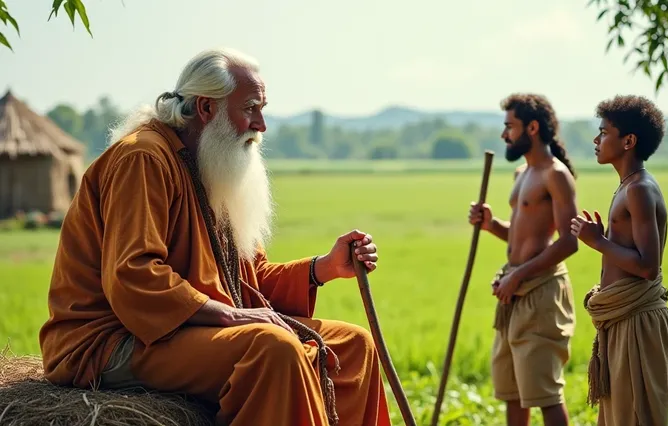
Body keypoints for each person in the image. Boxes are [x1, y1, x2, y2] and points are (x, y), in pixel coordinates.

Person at [38, 48, 391, 426]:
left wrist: (323, 268)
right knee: (272, 350)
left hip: (185, 331)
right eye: (251, 108)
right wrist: (228, 315)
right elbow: (133, 274)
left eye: (262, 108)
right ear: (206, 109)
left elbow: (246, 284)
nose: (261, 125)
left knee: (353, 347)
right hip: (112, 342)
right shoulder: (142, 158)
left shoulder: (210, 164)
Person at [468, 93, 579, 426]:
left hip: (540, 293)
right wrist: (491, 224)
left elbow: (569, 242)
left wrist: (519, 276)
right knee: (513, 391)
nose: (505, 135)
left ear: (532, 127)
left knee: (543, 394)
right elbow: (522, 236)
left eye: (510, 127)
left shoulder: (555, 175)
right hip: (513, 292)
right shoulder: (522, 174)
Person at [570, 94, 668, 426]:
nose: (596, 139)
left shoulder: (639, 189)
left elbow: (648, 267)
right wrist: (604, 239)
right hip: (623, 319)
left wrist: (598, 242)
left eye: (603, 132)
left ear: (628, 141)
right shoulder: (628, 186)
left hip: (637, 321)